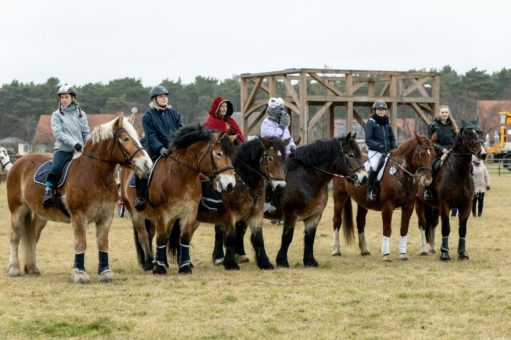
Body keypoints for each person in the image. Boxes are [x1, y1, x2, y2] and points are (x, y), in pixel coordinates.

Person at [135, 85, 183, 211]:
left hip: (173, 147)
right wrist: (160, 148)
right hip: (153, 147)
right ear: (154, 99)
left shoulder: (173, 113)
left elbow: (181, 129)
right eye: (161, 96)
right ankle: (141, 197)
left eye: (166, 96)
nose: (164, 98)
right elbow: (150, 136)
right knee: (143, 167)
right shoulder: (148, 116)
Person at [43, 84, 91, 208]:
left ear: (73, 98)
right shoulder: (56, 115)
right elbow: (58, 134)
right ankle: (48, 191)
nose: (63, 100)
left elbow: (86, 132)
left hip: (80, 150)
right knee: (55, 168)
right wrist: (75, 143)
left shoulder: (82, 114)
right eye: (62, 97)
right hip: (63, 150)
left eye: (66, 97)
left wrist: (90, 144)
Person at [260, 97, 295, 213]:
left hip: (284, 154)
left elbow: (288, 138)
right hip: (272, 155)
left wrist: (293, 147)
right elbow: (274, 140)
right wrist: (281, 127)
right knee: (274, 175)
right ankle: (267, 203)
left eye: (282, 108)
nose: (282, 112)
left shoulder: (283, 124)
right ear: (272, 110)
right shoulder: (266, 123)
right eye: (280, 109)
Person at [423, 105, 459, 200]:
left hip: (452, 153)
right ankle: (428, 190)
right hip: (438, 153)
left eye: (446, 112)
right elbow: (430, 142)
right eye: (442, 112)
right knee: (434, 167)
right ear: (439, 113)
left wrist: (452, 149)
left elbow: (456, 141)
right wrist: (441, 149)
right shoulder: (433, 125)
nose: (444, 114)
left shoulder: (453, 125)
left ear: (449, 113)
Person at [364, 100, 397, 201]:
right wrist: (380, 147)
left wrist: (394, 146)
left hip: (388, 151)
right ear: (375, 110)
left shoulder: (387, 123)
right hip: (375, 151)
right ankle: (370, 191)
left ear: (385, 111)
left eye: (383, 109)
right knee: (374, 166)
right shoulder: (371, 123)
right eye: (379, 109)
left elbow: (392, 137)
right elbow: (368, 140)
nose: (381, 111)